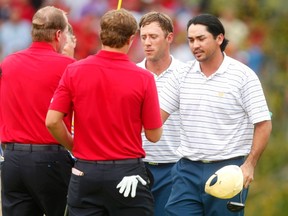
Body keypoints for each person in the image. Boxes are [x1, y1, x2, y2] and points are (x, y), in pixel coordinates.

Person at [45, 8, 163, 216]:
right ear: (131, 38)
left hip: (86, 172)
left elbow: (52, 121)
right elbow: (154, 135)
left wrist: (74, 146)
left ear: (101, 34)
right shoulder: (144, 78)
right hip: (127, 174)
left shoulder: (74, 70)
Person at [160, 14, 272, 216]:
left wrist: (249, 164)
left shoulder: (243, 76)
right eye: (191, 40)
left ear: (219, 38)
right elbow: (156, 119)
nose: (195, 45)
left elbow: (263, 123)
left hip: (228, 170)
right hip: (186, 170)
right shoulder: (181, 75)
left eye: (201, 39)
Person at [0, 6, 76, 216]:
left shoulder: (9, 63)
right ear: (58, 34)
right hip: (51, 159)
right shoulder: (69, 67)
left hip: (13, 160)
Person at [137, 11, 187, 216]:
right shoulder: (133, 74)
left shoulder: (187, 74)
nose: (147, 43)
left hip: (175, 169)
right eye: (143, 37)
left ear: (169, 38)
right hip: (137, 167)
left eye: (153, 37)